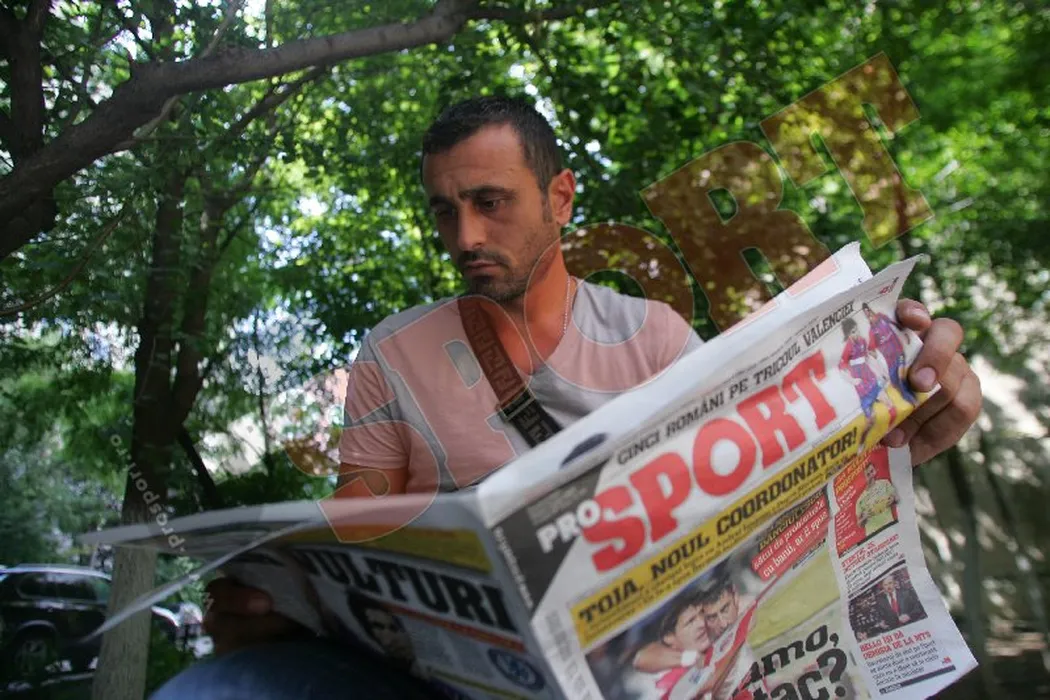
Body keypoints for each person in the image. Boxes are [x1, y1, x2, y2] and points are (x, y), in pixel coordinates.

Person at [156, 95, 983, 698]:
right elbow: (355, 524)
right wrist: (284, 604)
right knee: (213, 691)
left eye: (490, 203)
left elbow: (763, 495)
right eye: (445, 212)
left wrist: (902, 424)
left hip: (644, 668)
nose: (465, 237)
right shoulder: (391, 352)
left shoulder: (653, 335)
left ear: (559, 198)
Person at [631, 592, 712, 699]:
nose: (702, 623)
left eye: (702, 613)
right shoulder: (667, 677)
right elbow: (641, 658)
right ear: (669, 637)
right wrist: (693, 658)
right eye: (690, 621)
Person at [839, 317, 898, 448]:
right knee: (871, 420)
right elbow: (841, 368)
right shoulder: (847, 348)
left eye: (856, 329)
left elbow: (868, 358)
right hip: (862, 387)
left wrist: (882, 373)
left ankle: (886, 437)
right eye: (853, 331)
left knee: (891, 406)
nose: (856, 333)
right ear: (848, 334)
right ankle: (861, 444)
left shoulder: (862, 341)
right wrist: (852, 380)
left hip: (872, 380)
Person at [864, 302, 919, 406]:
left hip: (899, 353)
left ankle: (915, 401)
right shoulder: (872, 331)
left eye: (869, 312)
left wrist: (906, 334)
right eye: (867, 315)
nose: (870, 316)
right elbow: (871, 349)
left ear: (872, 311)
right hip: (890, 361)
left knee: (901, 377)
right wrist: (870, 357)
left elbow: (896, 324)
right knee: (896, 384)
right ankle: (912, 401)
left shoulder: (882, 317)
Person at [855, 462, 899, 537]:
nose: (871, 475)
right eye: (868, 474)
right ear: (864, 477)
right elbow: (859, 524)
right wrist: (864, 518)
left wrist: (892, 499)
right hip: (873, 534)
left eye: (872, 471)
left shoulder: (885, 483)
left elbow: (896, 498)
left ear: (875, 470)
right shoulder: (860, 500)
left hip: (889, 526)